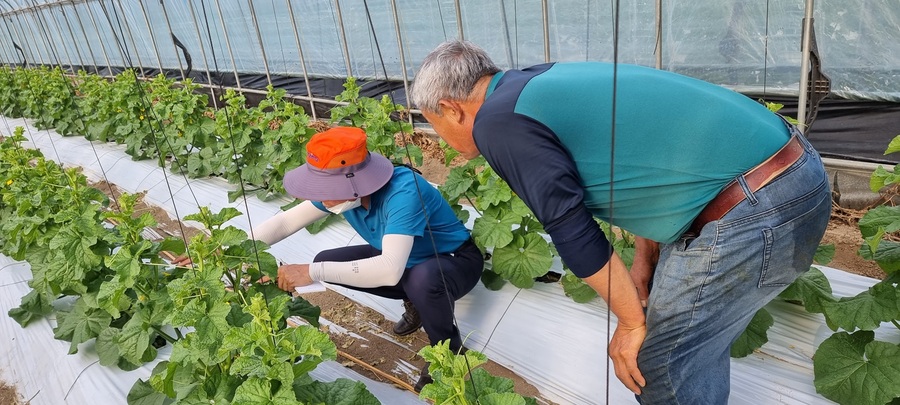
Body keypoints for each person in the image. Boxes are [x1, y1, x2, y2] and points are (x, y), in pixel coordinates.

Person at [411, 40, 831, 404]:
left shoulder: (498, 123)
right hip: (792, 173)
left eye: (434, 124)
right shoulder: (537, 83)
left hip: (758, 205)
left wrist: (630, 324)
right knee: (688, 351)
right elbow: (650, 166)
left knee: (657, 364)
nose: (439, 137)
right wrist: (645, 257)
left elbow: (571, 229)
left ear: (451, 109)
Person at [224, 126, 483, 391]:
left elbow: (390, 270)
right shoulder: (338, 195)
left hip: (453, 259)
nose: (319, 195)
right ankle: (417, 304)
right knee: (328, 259)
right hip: (404, 256)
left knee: (422, 280)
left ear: (354, 182)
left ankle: (448, 352)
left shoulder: (404, 191)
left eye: (326, 187)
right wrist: (223, 250)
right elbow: (285, 222)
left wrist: (312, 272)